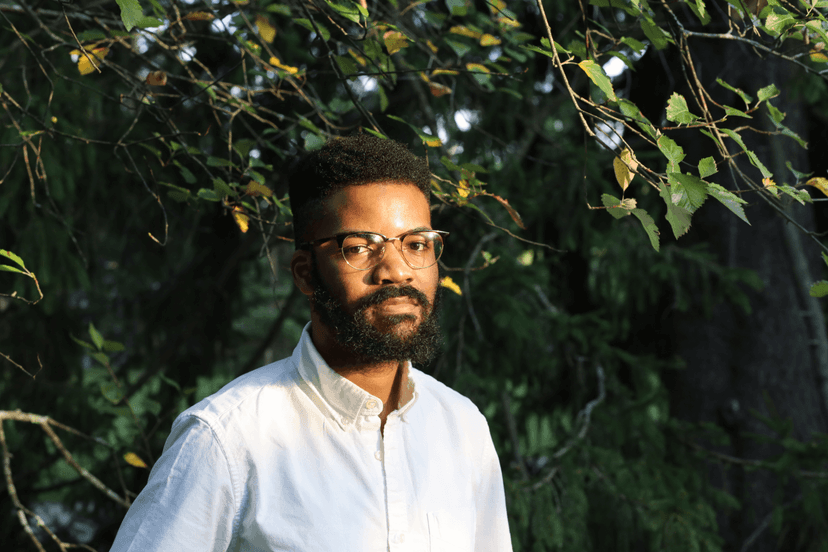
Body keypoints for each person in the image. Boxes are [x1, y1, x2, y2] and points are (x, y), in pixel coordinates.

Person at [109, 135, 512, 551]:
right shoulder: (227, 439)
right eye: (360, 247)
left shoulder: (462, 428)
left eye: (416, 245)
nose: (397, 270)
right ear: (305, 273)